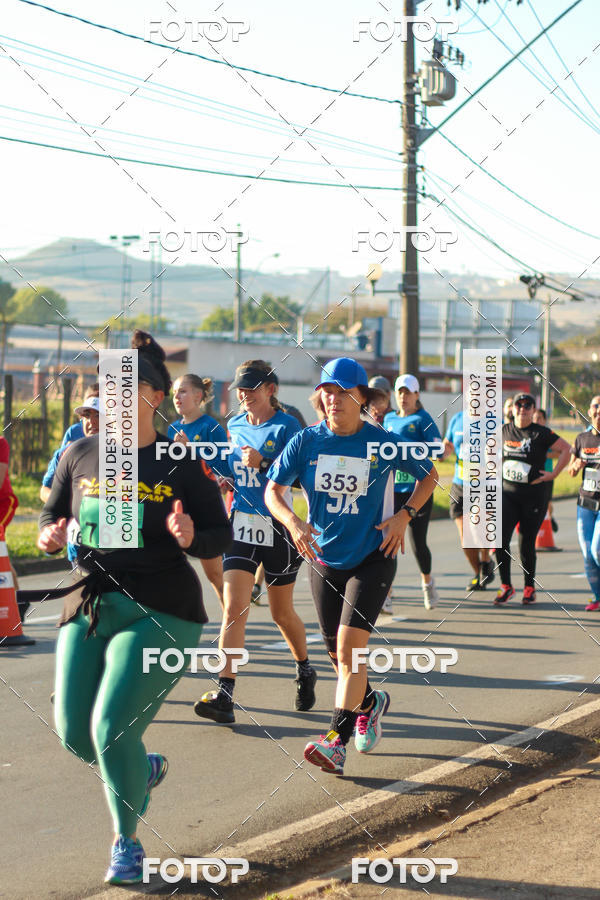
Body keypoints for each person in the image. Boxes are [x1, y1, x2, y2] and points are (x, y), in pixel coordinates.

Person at [35, 330, 232, 885]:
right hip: (90, 600)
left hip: (162, 611)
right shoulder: (79, 452)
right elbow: (48, 519)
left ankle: (127, 842)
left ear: (153, 396)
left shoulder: (179, 460)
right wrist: (51, 536)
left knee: (110, 728)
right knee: (74, 730)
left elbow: (218, 535)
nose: (112, 399)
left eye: (126, 387)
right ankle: (139, 771)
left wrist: (191, 533)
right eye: (107, 388)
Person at [265, 357, 437, 775]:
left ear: (361, 399)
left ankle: (334, 742)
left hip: (373, 556)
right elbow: (273, 490)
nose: (333, 398)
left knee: (349, 649)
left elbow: (429, 475)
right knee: (341, 659)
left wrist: (404, 515)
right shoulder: (306, 441)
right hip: (323, 558)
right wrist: (292, 522)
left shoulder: (382, 441)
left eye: (343, 392)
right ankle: (371, 702)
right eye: (327, 390)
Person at [193, 359, 317, 725]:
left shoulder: (289, 426)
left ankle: (304, 667)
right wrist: (214, 469)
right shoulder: (232, 425)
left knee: (281, 613)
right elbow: (231, 469)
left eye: (251, 388)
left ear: (270, 390)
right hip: (242, 525)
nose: (244, 395)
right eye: (240, 389)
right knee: (234, 608)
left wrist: (264, 463)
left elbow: (299, 478)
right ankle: (225, 693)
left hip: (278, 526)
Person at [495, 392, 570, 606]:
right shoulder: (505, 430)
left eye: (528, 405)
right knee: (499, 539)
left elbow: (566, 449)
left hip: (534, 497)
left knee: (526, 544)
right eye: (519, 404)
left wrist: (554, 474)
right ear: (513, 408)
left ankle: (529, 587)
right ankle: (506, 586)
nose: (522, 408)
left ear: (533, 410)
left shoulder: (541, 433)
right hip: (508, 494)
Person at [382, 374, 442, 611]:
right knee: (388, 542)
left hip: (418, 489)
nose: (403, 397)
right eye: (399, 392)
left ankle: (427, 582)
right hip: (392, 490)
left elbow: (436, 447)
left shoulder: (423, 418)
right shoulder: (388, 418)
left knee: (418, 544)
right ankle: (386, 591)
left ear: (417, 395)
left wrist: (407, 449)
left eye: (408, 392)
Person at [168, 374, 228, 605]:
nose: (177, 397)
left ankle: (230, 619)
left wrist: (190, 450)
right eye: (174, 393)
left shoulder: (211, 428)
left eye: (182, 391)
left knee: (214, 574)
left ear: (198, 395)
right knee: (169, 570)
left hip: (204, 509)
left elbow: (223, 473)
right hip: (178, 507)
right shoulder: (173, 427)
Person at [443, 408, 494, 592]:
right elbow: (448, 444)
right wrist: (442, 452)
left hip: (482, 485)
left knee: (476, 526)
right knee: (465, 539)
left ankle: (486, 559)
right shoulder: (457, 418)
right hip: (459, 484)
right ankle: (480, 573)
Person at [40, 384, 100, 503]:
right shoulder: (66, 451)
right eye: (87, 415)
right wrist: (63, 504)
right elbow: (45, 489)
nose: (92, 421)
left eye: (98, 414)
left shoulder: (126, 454)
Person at [568, 395, 600, 611]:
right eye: (595, 408)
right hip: (585, 503)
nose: (598, 412)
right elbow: (570, 471)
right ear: (589, 412)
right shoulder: (581, 439)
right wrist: (577, 465)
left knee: (598, 549)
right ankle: (597, 596)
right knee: (587, 552)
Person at [532, 408, 559, 534]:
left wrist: (544, 455)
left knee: (547, 502)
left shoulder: (549, 434)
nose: (536, 420)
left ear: (544, 420)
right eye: (535, 418)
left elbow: (560, 452)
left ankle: (549, 517)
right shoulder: (529, 433)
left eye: (539, 418)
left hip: (547, 473)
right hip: (532, 474)